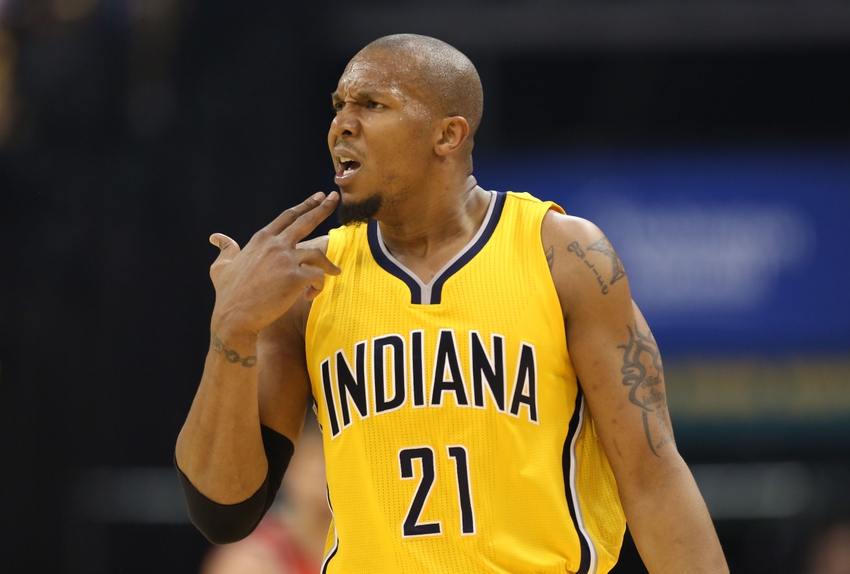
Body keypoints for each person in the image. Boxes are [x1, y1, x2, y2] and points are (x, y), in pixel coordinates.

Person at [175, 33, 728, 573]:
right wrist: (232, 328)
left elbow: (654, 482)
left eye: (372, 104)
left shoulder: (564, 254)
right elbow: (223, 511)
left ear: (448, 135)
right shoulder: (305, 280)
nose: (342, 124)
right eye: (339, 105)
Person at [198, 418, 330, 574]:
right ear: (290, 468)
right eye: (320, 469)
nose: (325, 478)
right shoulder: (252, 559)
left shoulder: (360, 547)